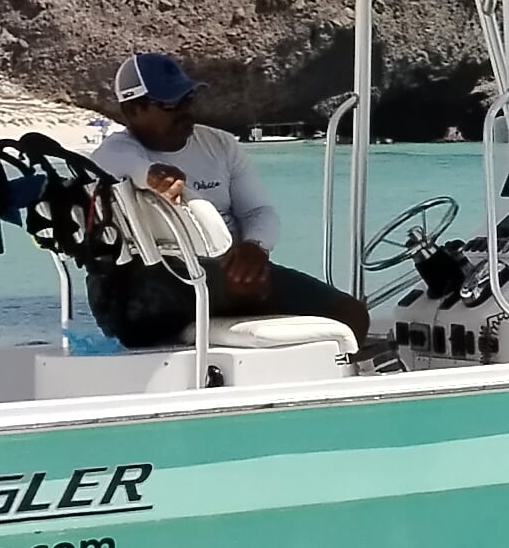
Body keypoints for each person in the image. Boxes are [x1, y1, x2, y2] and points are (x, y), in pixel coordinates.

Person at [82, 51, 375, 350]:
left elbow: (259, 210)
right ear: (132, 111)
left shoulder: (221, 145)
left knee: (352, 315)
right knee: (242, 287)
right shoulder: (116, 152)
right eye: (171, 104)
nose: (186, 110)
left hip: (225, 272)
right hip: (149, 288)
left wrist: (255, 247)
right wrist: (151, 175)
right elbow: (116, 162)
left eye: (188, 98)